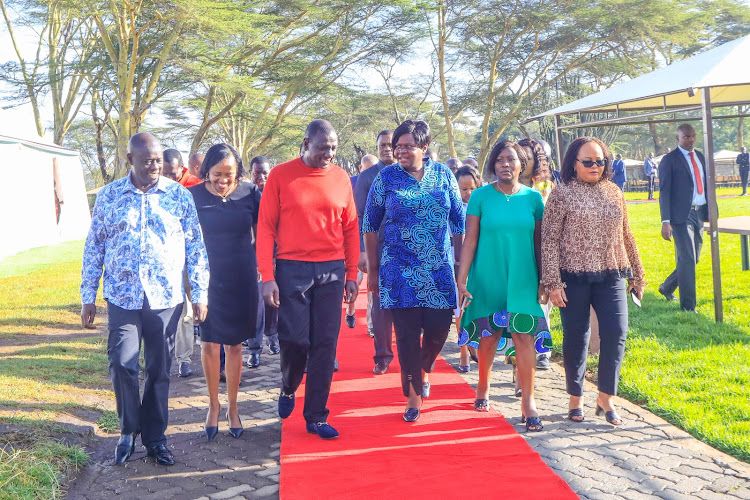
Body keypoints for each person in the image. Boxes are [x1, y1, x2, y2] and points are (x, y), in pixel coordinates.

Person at [81, 133, 209, 466]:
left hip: (165, 298)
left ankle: (155, 438)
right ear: (130, 161)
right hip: (123, 296)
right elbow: (94, 246)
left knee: (159, 370)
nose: (154, 166)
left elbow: (196, 247)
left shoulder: (179, 196)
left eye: (158, 160)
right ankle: (128, 431)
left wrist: (200, 292)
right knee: (122, 363)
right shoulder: (109, 196)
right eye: (147, 160)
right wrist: (87, 295)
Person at [257, 119, 359, 440]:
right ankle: (288, 386)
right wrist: (267, 276)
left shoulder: (341, 178)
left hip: (331, 270)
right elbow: (266, 227)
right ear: (305, 144)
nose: (328, 154)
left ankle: (316, 415)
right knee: (295, 340)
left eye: (333, 148)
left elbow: (351, 227)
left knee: (325, 346)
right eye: (322, 147)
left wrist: (352, 273)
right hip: (292, 269)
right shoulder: (280, 175)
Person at [363, 119, 465, 423]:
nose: (401, 151)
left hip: (438, 271)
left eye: (407, 146)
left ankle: (424, 369)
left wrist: (460, 266)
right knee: (406, 336)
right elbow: (369, 223)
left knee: (437, 332)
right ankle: (413, 397)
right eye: (398, 146)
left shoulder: (444, 176)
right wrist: (373, 271)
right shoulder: (386, 178)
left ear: (424, 147)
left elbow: (459, 221)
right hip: (399, 272)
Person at [542, 136, 645, 426]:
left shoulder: (614, 191)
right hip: (572, 277)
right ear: (573, 164)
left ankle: (605, 398)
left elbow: (627, 234)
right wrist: (553, 282)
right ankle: (576, 398)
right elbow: (549, 240)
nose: (595, 166)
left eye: (600, 161)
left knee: (616, 333)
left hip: (612, 273)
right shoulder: (562, 194)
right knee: (577, 337)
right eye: (588, 162)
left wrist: (638, 273)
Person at [456, 141, 549, 432]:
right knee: (489, 334)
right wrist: (462, 277)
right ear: (493, 165)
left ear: (522, 164)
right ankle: (482, 386)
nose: (504, 164)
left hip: (523, 276)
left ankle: (528, 401)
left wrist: (545, 278)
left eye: (510, 159)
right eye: (499, 160)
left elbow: (539, 243)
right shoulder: (481, 197)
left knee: (524, 335)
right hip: (488, 273)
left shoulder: (534, 199)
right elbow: (469, 239)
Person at [189, 143, 261, 440]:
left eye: (229, 175)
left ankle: (233, 406)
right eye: (217, 174)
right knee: (209, 343)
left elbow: (265, 232)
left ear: (238, 172)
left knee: (234, 345)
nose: (223, 180)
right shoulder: (192, 196)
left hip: (241, 277)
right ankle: (213, 405)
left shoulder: (250, 194)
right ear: (206, 171)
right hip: (207, 279)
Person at [354, 130, 396, 374]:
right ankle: (382, 356)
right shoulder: (368, 176)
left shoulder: (409, 173)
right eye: (382, 145)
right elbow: (359, 216)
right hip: (376, 248)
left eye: (390, 144)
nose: (386, 148)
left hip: (405, 248)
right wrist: (362, 252)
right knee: (380, 304)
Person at [658, 124, 709, 312]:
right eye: (686, 137)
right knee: (687, 258)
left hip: (699, 212)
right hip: (681, 216)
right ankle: (688, 306)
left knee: (693, 258)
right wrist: (666, 221)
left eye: (693, 136)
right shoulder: (669, 160)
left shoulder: (701, 156)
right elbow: (664, 192)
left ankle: (667, 287)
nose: (691, 139)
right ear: (677, 138)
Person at [160, 148, 202, 378]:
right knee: (178, 312)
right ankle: (180, 359)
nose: (169, 178)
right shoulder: (154, 189)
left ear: (182, 168)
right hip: (168, 261)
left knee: (195, 308)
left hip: (192, 258)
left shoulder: (196, 187)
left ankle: (197, 355)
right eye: (165, 173)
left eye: (173, 173)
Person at [246, 156, 280, 368]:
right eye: (257, 173)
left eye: (265, 173)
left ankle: (273, 338)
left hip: (277, 256)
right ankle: (254, 349)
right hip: (252, 258)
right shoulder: (246, 196)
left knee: (274, 303)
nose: (261, 177)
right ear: (251, 173)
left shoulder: (276, 193)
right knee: (256, 305)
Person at [453, 165, 481, 373]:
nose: (468, 193)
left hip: (481, 264)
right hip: (457, 265)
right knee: (460, 310)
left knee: (476, 308)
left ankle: (475, 344)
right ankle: (463, 349)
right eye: (463, 189)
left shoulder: (484, 205)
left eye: (472, 188)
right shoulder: (451, 208)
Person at [346, 154, 378, 329]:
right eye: (367, 169)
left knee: (373, 284)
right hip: (356, 240)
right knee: (355, 280)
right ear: (360, 168)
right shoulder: (350, 183)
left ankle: (371, 324)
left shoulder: (381, 181)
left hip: (375, 239)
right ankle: (350, 309)